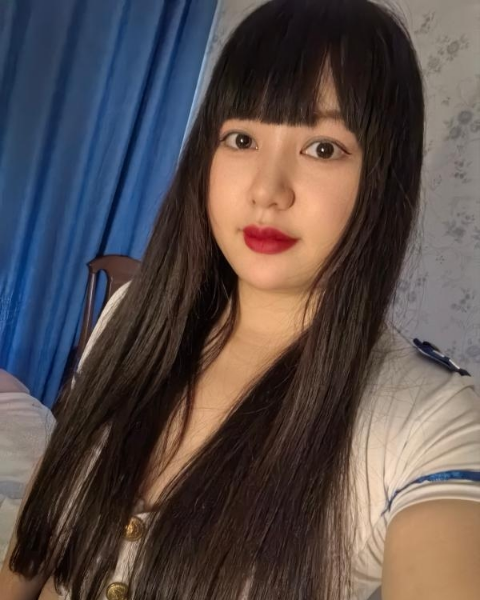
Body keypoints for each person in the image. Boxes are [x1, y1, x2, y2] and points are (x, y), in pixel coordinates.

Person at [2, 0, 480, 598]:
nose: (266, 191)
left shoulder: (427, 420)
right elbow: (41, 529)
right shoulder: (133, 314)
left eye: (323, 148)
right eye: (242, 138)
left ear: (384, 176)